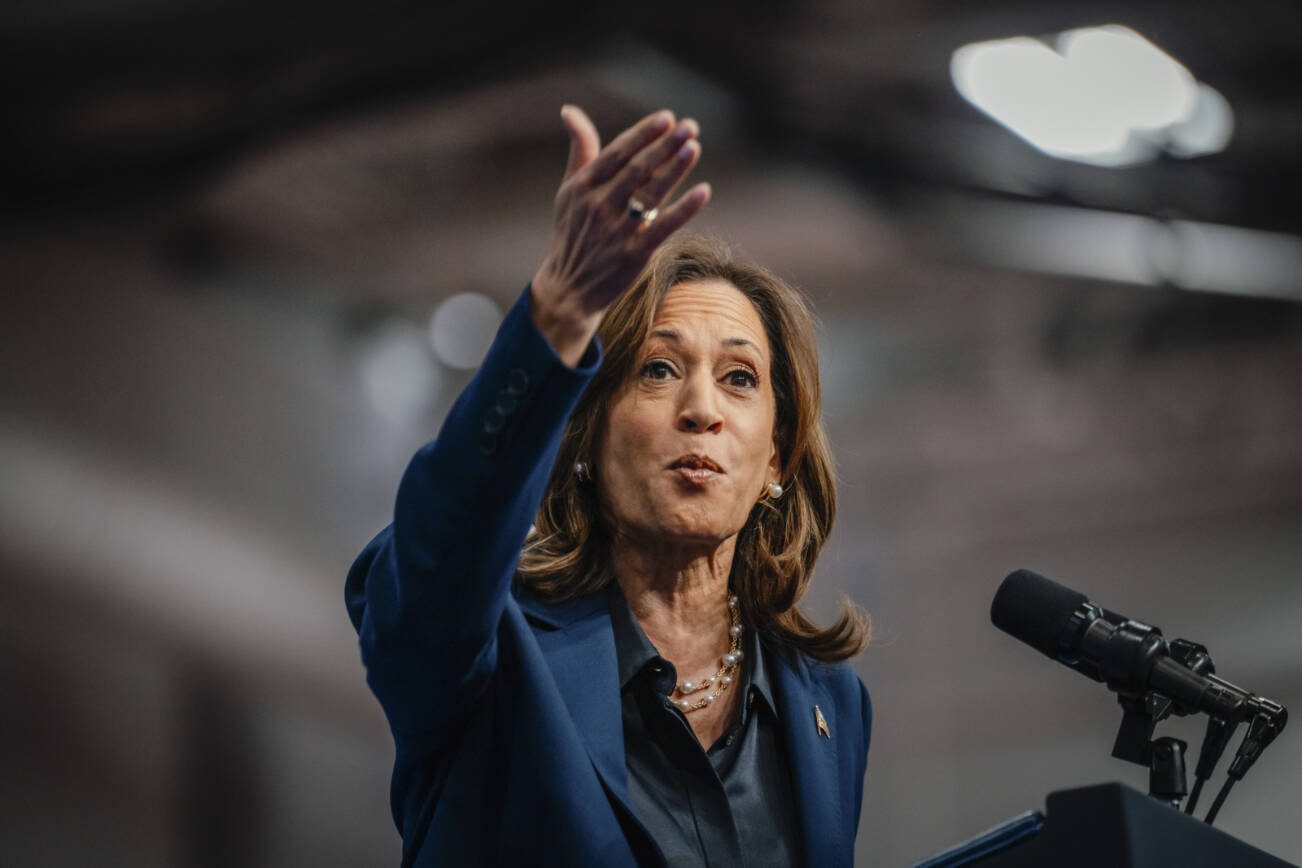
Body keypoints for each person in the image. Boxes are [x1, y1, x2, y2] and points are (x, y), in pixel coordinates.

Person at [346, 104, 872, 867]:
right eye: (658, 369)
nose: (702, 410)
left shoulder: (830, 704)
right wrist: (556, 317)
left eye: (739, 379)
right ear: (588, 436)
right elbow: (434, 562)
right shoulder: (494, 648)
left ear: (778, 461)